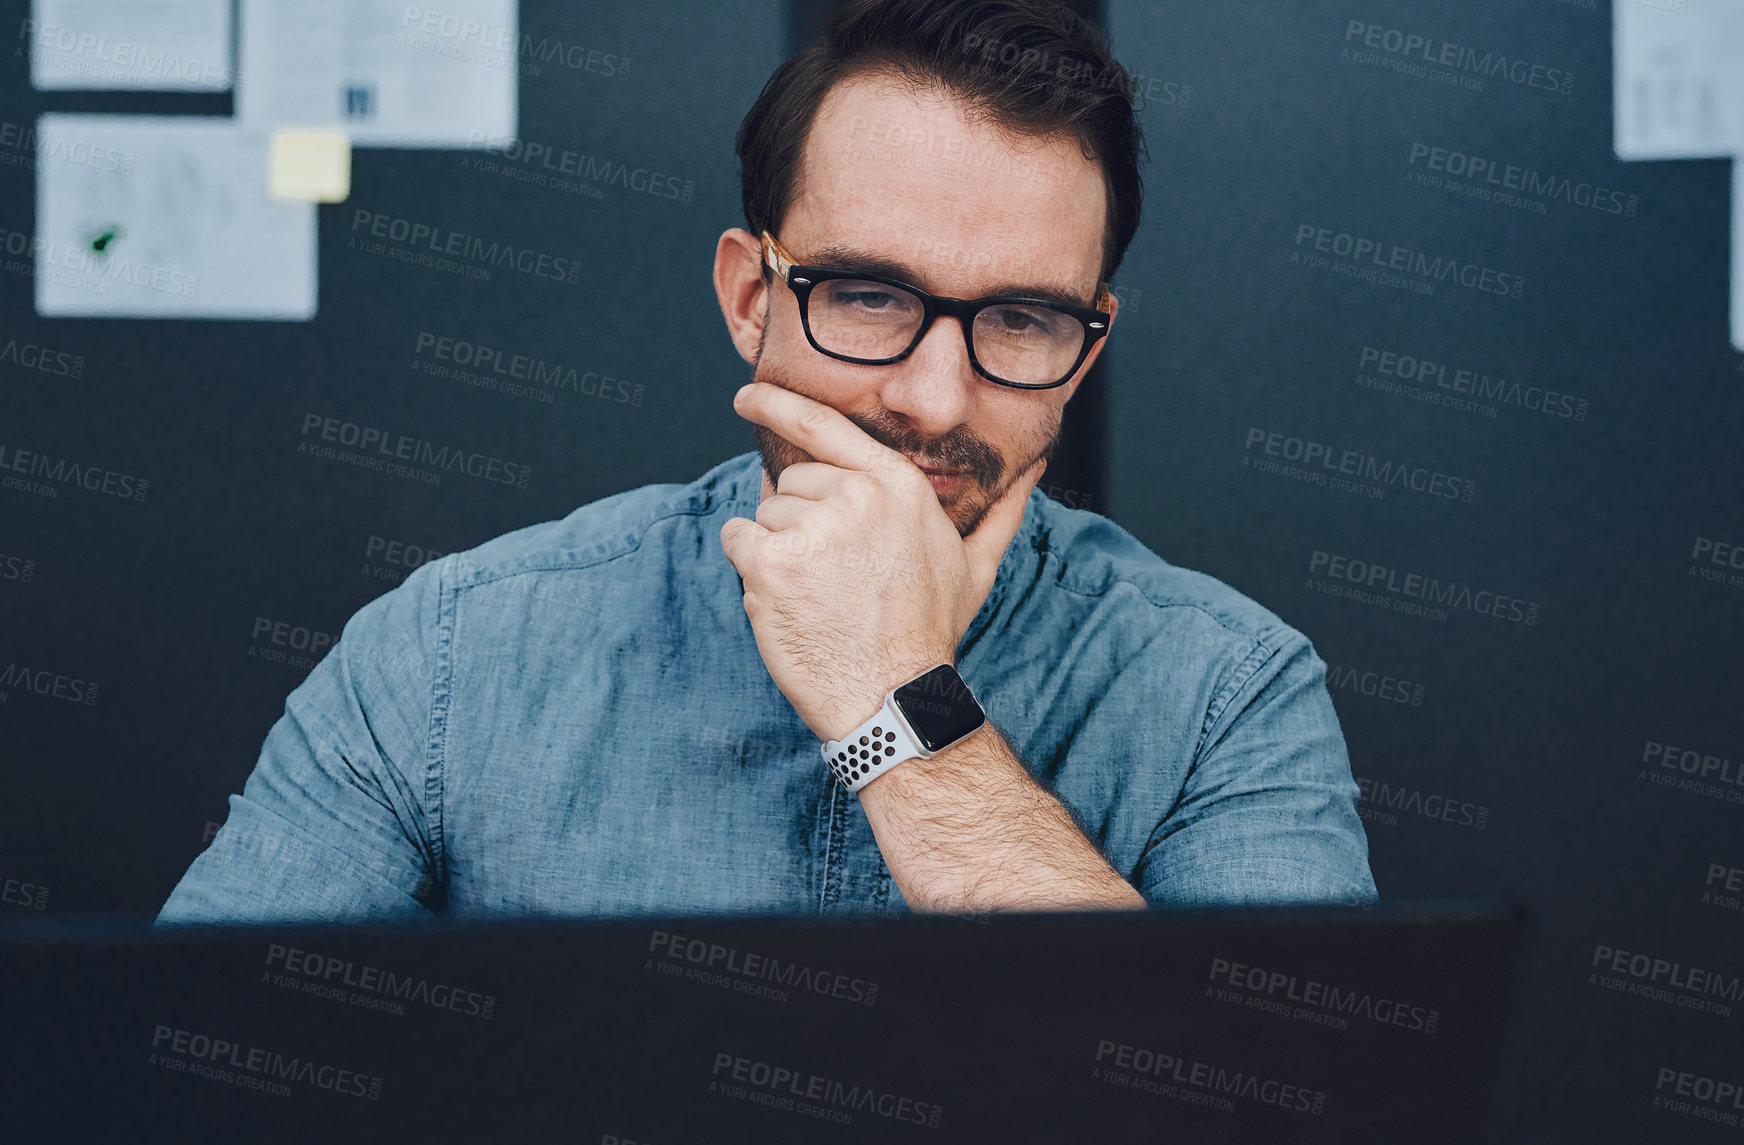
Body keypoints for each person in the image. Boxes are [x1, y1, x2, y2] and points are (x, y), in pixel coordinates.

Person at [156, 0, 1375, 927]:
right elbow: (191, 1075)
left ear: (1089, 335)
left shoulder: (1230, 694)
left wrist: (895, 696)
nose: (934, 397)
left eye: (1021, 318)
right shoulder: (449, 657)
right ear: (751, 295)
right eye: (867, 294)